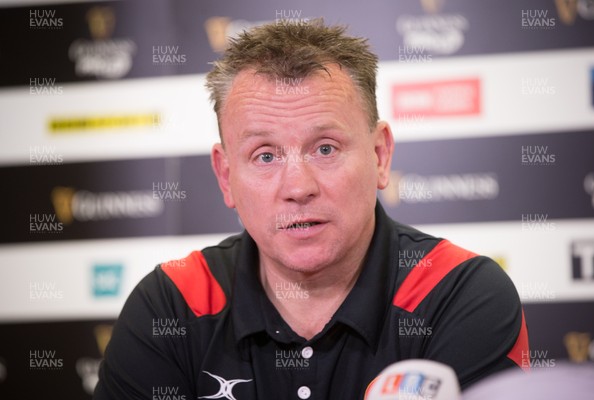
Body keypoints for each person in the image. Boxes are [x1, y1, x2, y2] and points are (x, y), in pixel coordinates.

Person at [94, 19, 529, 400]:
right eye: (265, 156)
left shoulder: (457, 293)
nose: (298, 187)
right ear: (226, 176)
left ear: (380, 155)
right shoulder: (172, 305)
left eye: (325, 148)